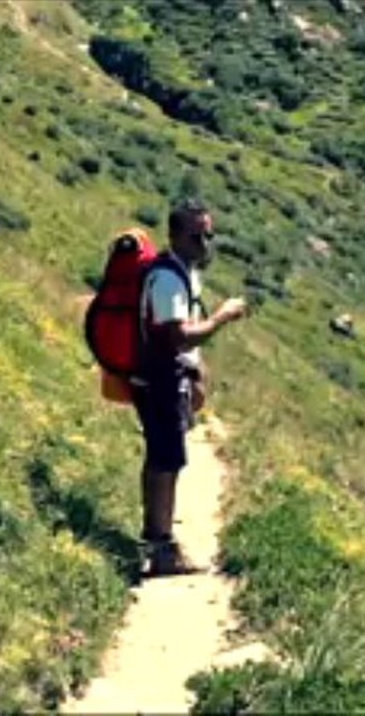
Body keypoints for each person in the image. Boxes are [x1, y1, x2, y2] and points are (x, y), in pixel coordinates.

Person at [135, 199, 247, 576]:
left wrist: (196, 376)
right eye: (197, 235)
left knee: (164, 457)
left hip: (166, 377)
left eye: (208, 234)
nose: (205, 243)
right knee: (166, 460)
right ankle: (160, 549)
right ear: (175, 235)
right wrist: (223, 317)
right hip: (160, 379)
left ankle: (156, 539)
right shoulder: (169, 279)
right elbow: (178, 337)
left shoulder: (182, 271)